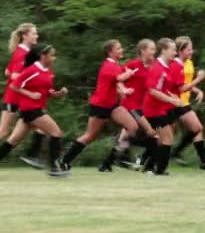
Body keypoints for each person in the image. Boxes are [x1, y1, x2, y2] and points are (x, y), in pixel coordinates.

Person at [60, 40, 139, 169]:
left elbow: (117, 83)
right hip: (100, 105)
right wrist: (129, 74)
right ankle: (64, 161)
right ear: (110, 52)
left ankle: (117, 159)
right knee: (90, 136)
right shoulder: (108, 65)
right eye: (118, 48)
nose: (122, 50)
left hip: (112, 105)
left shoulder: (116, 65)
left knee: (132, 127)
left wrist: (124, 90)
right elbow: (119, 78)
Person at [0, 44, 70, 177]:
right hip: (31, 109)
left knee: (13, 140)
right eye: (52, 55)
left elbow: (47, 91)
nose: (54, 58)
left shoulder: (48, 71)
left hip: (34, 109)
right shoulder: (31, 70)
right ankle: (54, 169)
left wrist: (59, 93)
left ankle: (54, 167)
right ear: (43, 56)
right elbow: (14, 86)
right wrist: (30, 95)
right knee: (56, 133)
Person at [98, 39, 158, 172]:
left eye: (154, 49)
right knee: (150, 132)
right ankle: (150, 166)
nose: (154, 52)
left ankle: (107, 163)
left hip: (142, 106)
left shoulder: (154, 66)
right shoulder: (133, 64)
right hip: (130, 105)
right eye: (151, 49)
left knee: (125, 138)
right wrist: (123, 89)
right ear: (143, 51)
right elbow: (118, 78)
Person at [0, 23, 47, 169]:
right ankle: (33, 155)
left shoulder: (24, 52)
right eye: (33, 33)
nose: (36, 36)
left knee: (39, 127)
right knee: (3, 131)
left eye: (36, 33)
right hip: (14, 98)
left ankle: (33, 155)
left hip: (21, 98)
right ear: (24, 36)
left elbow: (8, 71)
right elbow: (14, 75)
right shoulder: (22, 53)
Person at [168, 36, 205, 171]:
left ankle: (203, 161)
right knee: (166, 132)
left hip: (183, 101)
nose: (192, 51)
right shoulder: (174, 64)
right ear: (180, 50)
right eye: (189, 49)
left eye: (191, 49)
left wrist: (197, 90)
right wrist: (199, 79)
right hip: (173, 101)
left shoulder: (189, 62)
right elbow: (179, 86)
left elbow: (186, 82)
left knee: (197, 128)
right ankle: (169, 154)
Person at [142, 38, 183, 175]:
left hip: (160, 109)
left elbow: (163, 88)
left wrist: (173, 98)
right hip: (152, 110)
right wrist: (172, 101)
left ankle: (151, 167)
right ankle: (159, 171)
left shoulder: (166, 67)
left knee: (163, 139)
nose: (175, 53)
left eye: (176, 50)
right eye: (173, 50)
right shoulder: (158, 68)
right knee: (167, 139)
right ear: (164, 50)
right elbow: (153, 90)